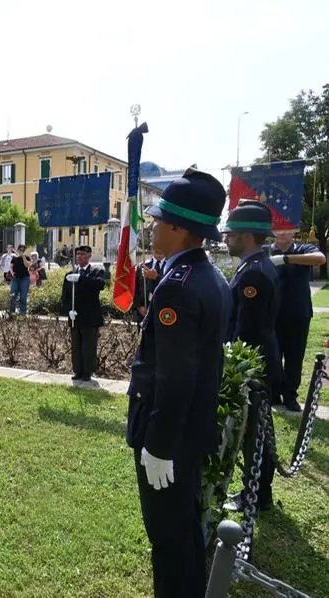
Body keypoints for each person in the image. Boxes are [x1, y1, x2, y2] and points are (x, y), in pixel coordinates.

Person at [125, 167, 230, 597]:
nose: (151, 228)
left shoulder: (178, 287)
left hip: (170, 438)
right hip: (192, 431)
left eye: (157, 221)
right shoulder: (211, 278)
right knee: (185, 531)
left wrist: (159, 445)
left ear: (179, 229)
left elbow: (175, 376)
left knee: (168, 542)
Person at [223, 201, 281, 513]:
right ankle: (256, 491)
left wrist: (234, 365)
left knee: (254, 435)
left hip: (253, 366)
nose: (226, 239)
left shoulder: (254, 275)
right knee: (254, 432)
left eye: (231, 234)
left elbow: (246, 331)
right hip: (259, 363)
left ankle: (257, 495)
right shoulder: (255, 267)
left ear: (246, 236)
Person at [268, 228, 326, 411]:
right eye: (279, 228)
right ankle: (274, 393)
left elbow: (320, 259)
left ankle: (290, 395)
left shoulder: (303, 249)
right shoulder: (265, 251)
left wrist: (286, 259)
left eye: (287, 229)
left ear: (294, 231)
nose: (283, 232)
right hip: (272, 314)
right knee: (272, 356)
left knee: (294, 357)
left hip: (298, 313)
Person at [60, 245, 106, 381]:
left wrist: (80, 278)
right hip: (75, 316)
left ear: (89, 256)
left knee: (88, 346)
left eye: (83, 254)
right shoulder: (69, 275)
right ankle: (77, 371)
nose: (79, 257)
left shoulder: (96, 272)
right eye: (78, 254)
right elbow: (65, 297)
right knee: (76, 346)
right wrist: (68, 311)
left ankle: (87, 373)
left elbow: (99, 285)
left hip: (90, 316)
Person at [133, 251, 166, 321]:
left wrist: (157, 278)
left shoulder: (171, 266)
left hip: (164, 313)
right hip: (144, 314)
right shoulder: (142, 266)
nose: (158, 249)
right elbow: (134, 289)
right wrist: (139, 306)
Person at [9, 245, 31, 314]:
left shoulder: (27, 257)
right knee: (13, 294)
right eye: (20, 250)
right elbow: (11, 267)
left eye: (23, 250)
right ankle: (12, 312)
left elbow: (27, 265)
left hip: (25, 278)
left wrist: (23, 257)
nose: (21, 251)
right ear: (17, 250)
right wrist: (12, 273)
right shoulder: (14, 258)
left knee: (23, 296)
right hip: (15, 278)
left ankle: (22, 313)